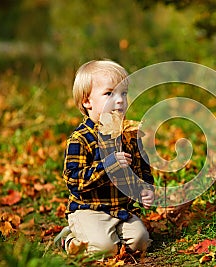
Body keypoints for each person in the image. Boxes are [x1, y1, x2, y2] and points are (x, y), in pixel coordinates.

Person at [54, 59, 155, 257]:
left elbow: (143, 168)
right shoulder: (81, 138)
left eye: (123, 93)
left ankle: (111, 236)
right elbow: (74, 181)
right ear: (87, 101)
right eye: (109, 93)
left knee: (141, 242)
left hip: (121, 209)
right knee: (104, 249)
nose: (119, 100)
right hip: (89, 209)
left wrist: (145, 189)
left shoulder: (128, 135)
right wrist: (108, 166)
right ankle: (69, 238)